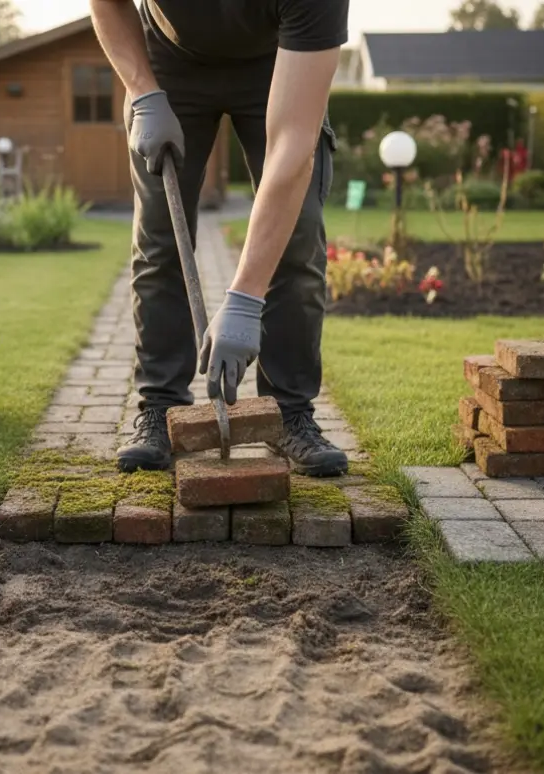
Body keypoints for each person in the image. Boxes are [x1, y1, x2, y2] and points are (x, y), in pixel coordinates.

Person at [88, 0, 351, 477]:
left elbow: (293, 144)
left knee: (298, 236)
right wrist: (143, 92)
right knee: (160, 237)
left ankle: (288, 413)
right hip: (167, 63)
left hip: (277, 62)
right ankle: (161, 408)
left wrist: (245, 300)